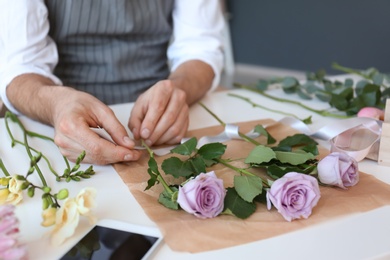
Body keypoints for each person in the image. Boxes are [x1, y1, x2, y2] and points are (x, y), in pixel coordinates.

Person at [0, 0, 224, 165]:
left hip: (159, 122)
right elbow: (20, 67)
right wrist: (58, 106)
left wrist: (177, 89)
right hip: (60, 124)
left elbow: (200, 46)